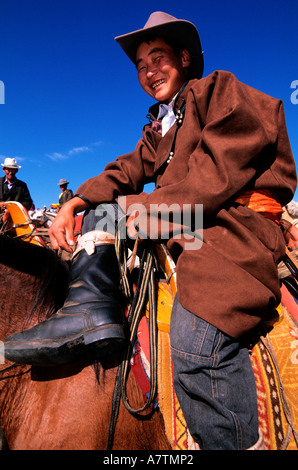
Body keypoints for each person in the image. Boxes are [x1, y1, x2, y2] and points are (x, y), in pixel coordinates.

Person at [4, 12, 297, 450]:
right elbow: (127, 168)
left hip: (229, 227)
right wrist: (78, 202)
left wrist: (133, 210)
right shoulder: (161, 125)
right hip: (188, 223)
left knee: (198, 340)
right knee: (103, 214)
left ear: (183, 58)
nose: (149, 71)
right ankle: (88, 312)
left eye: (157, 59)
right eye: (141, 66)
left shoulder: (220, 91)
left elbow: (211, 183)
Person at [0, 158, 33, 223]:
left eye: (13, 170)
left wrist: (13, 207)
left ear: (16, 171)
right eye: (8, 169)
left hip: (16, 216)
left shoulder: (22, 185)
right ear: (4, 170)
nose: (10, 172)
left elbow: (28, 202)